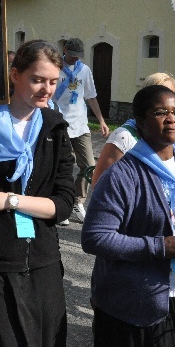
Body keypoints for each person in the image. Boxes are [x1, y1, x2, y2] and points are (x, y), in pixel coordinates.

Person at [0, 40, 75, 346]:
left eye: (53, 82)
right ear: (15, 74)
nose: (46, 89)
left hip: (44, 263)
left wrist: (7, 200)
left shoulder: (55, 128)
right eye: (37, 79)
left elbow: (63, 204)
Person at [82, 84, 175, 347]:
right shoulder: (123, 175)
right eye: (160, 112)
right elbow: (95, 238)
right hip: (131, 307)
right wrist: (160, 246)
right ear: (141, 122)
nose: (172, 118)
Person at [52, 37, 109, 224]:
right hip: (59, 123)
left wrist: (101, 120)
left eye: (78, 56)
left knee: (88, 165)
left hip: (80, 125)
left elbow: (91, 97)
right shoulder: (54, 67)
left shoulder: (84, 70)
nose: (75, 59)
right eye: (72, 55)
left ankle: (78, 201)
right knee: (63, 167)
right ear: (65, 50)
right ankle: (61, 205)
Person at [91, 72, 175, 188]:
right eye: (160, 96)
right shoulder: (125, 137)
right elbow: (99, 185)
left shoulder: (174, 140)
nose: (167, 101)